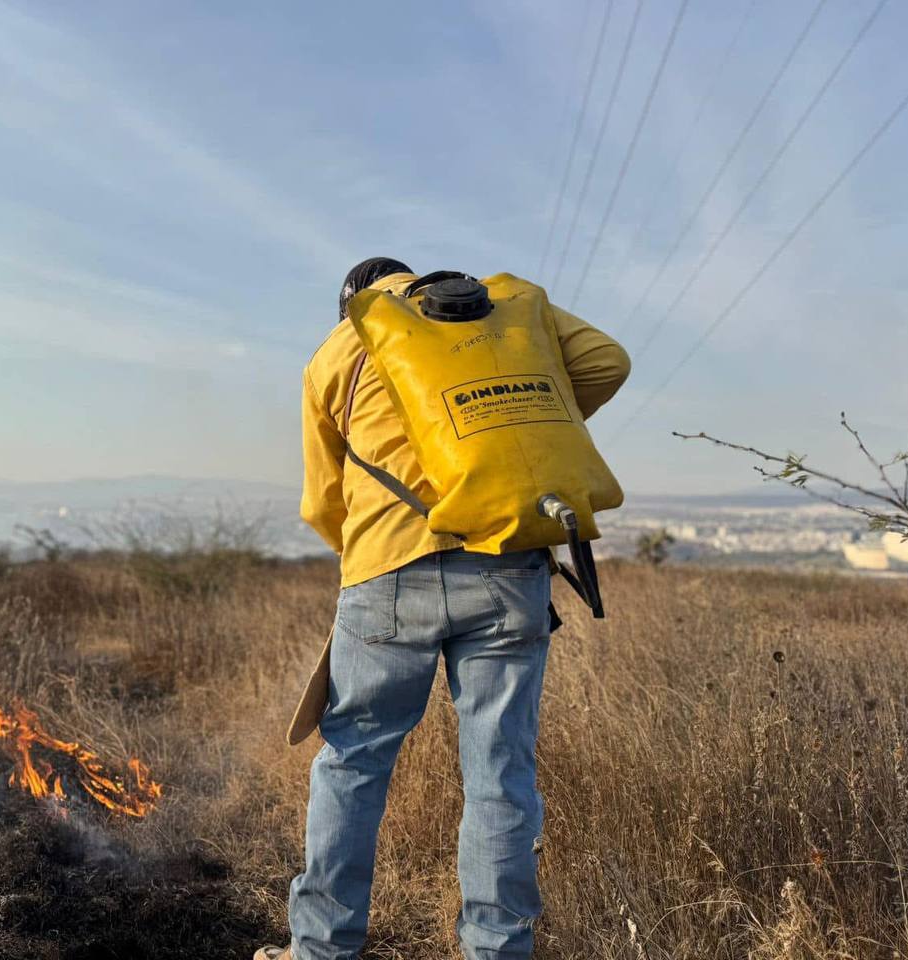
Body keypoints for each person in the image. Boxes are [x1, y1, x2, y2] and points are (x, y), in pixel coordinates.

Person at [255, 257, 630, 960]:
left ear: (354, 302)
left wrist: (367, 552)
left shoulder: (343, 347)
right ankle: (497, 951)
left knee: (354, 761)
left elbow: (320, 501)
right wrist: (519, 432)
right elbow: (608, 362)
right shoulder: (503, 312)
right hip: (509, 569)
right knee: (500, 773)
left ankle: (323, 951)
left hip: (387, 573)